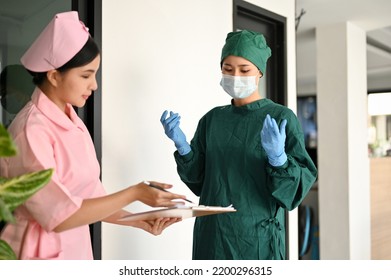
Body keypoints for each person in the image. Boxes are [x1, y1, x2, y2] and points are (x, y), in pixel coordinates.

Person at [0, 11, 187, 260]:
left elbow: (90, 199)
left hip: (74, 250)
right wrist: (135, 192)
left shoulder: (73, 122)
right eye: (86, 75)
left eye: (95, 74)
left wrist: (138, 220)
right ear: (54, 76)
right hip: (35, 254)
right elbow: (58, 215)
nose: (94, 85)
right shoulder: (31, 131)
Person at [160, 30, 318, 260]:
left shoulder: (280, 117)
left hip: (256, 240)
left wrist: (279, 159)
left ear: (259, 72)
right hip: (212, 237)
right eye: (228, 69)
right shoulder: (212, 119)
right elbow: (200, 181)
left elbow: (294, 193)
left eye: (244, 70)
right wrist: (183, 147)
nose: (235, 76)